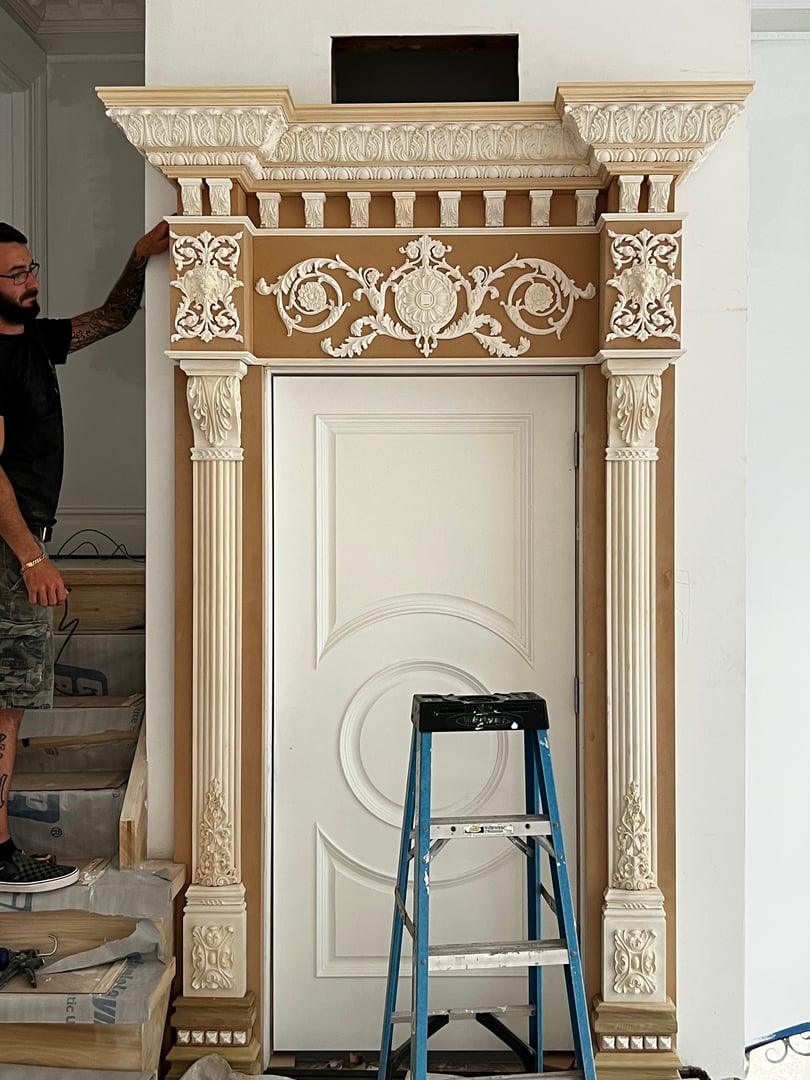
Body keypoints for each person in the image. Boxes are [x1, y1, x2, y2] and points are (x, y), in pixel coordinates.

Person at [0, 219, 169, 892]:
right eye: (15, 275)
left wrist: (138, 257)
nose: (32, 282)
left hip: (23, 542)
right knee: (6, 703)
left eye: (31, 268)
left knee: (8, 705)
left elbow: (111, 318)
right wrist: (30, 559)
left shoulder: (35, 339)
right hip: (11, 549)